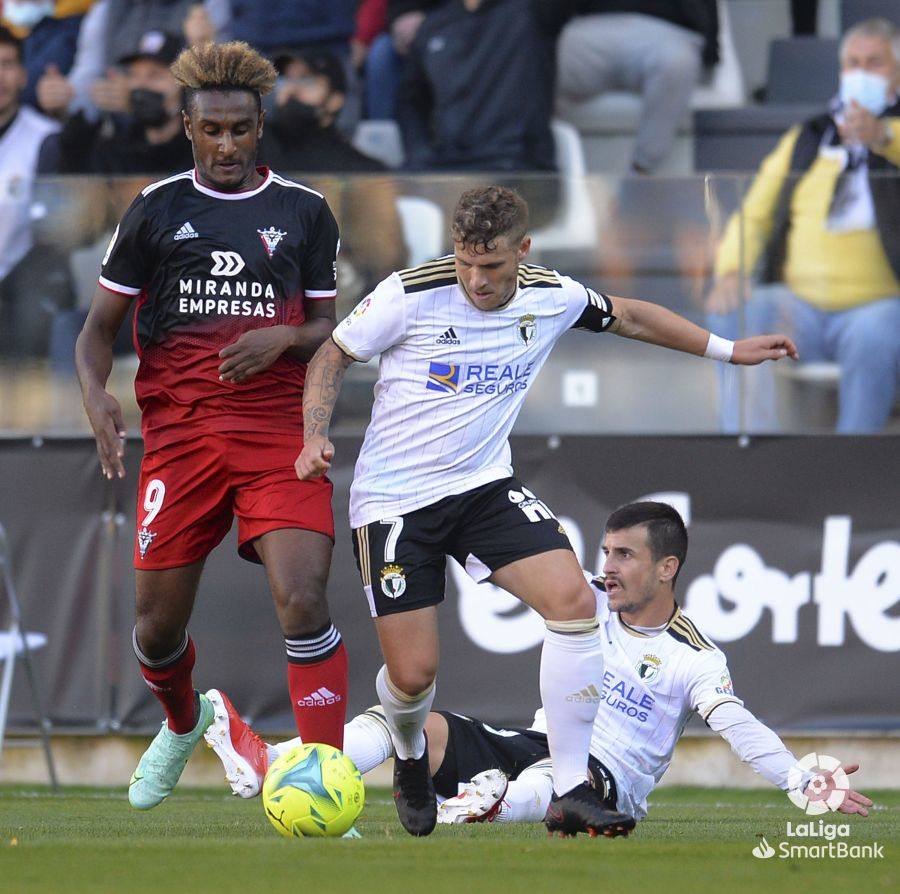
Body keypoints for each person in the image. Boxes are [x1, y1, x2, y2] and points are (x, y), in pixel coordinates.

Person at [292, 185, 798, 838]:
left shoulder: (550, 295)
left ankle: (569, 789)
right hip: (396, 501)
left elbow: (633, 316)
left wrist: (729, 351)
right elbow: (333, 354)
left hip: (481, 488)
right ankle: (411, 754)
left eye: (493, 266)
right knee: (414, 677)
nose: (476, 279)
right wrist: (313, 433)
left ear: (522, 252)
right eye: (466, 262)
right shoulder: (409, 294)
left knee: (574, 602)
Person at [202, 502, 874, 825]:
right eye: (605, 553)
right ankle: (269, 761)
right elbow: (493, 565)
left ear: (667, 568)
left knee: (554, 776)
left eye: (625, 557)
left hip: (606, 788)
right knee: (418, 721)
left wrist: (797, 777)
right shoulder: (582, 603)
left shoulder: (691, 655)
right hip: (540, 744)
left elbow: (737, 724)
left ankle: (494, 805)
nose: (606, 568)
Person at [74, 40, 349, 811]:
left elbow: (334, 328)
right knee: (156, 634)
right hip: (181, 439)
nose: (226, 145)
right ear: (187, 126)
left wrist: (285, 338)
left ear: (260, 125)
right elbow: (97, 329)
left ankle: (320, 781)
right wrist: (96, 395)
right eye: (211, 130)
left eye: (240, 129)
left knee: (304, 598)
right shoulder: (156, 208)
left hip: (276, 436)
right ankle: (188, 720)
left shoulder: (305, 211)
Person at [708, 17, 900, 434]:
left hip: (880, 308)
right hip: (801, 310)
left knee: (877, 333)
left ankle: (853, 464)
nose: (861, 72)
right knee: (733, 313)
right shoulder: (808, 137)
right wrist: (730, 270)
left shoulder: (894, 133)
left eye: (875, 63)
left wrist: (882, 137)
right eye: (853, 63)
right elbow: (754, 213)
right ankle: (750, 451)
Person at [544, 0, 719, 174]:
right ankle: (531, 170)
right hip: (590, 25)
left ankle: (639, 175)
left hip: (670, 30)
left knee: (677, 62)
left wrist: (709, 56)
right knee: (533, 59)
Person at [397, 0, 556, 174]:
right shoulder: (433, 24)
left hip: (516, 166)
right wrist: (420, 153)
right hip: (445, 165)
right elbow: (410, 99)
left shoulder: (534, 11)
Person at [0, 24, 66, 358]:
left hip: (18, 300)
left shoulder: (47, 138)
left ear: (24, 75)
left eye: (7, 64)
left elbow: (50, 238)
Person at [47, 31, 194, 174]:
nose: (141, 85)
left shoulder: (198, 149)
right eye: (133, 75)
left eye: (154, 75)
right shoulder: (115, 143)